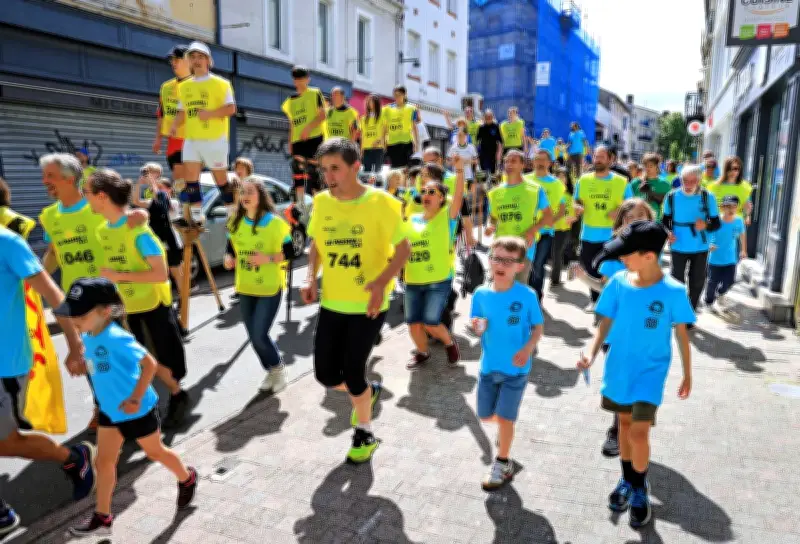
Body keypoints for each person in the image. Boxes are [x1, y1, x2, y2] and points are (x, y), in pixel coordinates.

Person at [56, 278, 197, 537]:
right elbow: (102, 366)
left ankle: (187, 477)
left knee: (155, 452)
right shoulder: (89, 334)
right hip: (110, 410)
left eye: (81, 315)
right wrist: (84, 365)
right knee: (104, 462)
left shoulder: (116, 337)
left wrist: (135, 399)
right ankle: (103, 517)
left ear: (105, 312)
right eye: (72, 314)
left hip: (137, 410)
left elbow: (150, 364)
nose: (74, 320)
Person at [300, 138, 411, 464]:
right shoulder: (322, 202)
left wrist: (381, 283)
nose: (328, 176)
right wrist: (310, 277)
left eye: (335, 168)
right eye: (324, 170)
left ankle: (364, 432)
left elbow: (403, 249)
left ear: (355, 167)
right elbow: (317, 244)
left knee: (352, 372)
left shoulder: (382, 202)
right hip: (333, 302)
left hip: (368, 304)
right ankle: (368, 392)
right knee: (325, 375)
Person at [578, 220, 694, 528]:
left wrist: (688, 373)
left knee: (639, 432)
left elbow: (681, 334)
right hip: (619, 368)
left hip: (650, 372)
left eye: (627, 253)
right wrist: (591, 352)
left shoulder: (673, 291)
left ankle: (640, 487)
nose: (621, 258)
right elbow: (604, 322)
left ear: (649, 256)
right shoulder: (618, 282)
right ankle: (627, 479)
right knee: (625, 426)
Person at [39, 153, 148, 431]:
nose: (44, 181)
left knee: (115, 353)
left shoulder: (96, 206)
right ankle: (104, 406)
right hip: (77, 300)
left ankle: (135, 404)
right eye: (44, 176)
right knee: (92, 356)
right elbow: (54, 252)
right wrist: (32, 279)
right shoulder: (49, 216)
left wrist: (140, 216)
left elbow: (126, 222)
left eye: (50, 176)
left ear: (69, 178)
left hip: (109, 294)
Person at [0, 228, 98, 535]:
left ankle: (75, 458)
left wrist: (75, 344)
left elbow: (53, 294)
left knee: (5, 443)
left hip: (5, 364)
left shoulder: (6, 242)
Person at [84, 170, 190, 427]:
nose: (84, 197)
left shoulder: (138, 231)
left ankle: (177, 396)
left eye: (87, 193)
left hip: (151, 305)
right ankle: (139, 410)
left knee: (159, 360)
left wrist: (119, 276)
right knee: (133, 359)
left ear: (102, 196)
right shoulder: (102, 230)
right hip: (124, 307)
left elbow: (160, 273)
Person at [575, 198, 655, 458]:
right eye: (629, 218)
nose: (634, 222)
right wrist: (584, 279)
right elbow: (604, 289)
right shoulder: (612, 255)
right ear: (621, 223)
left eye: (640, 216)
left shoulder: (653, 253)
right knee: (621, 381)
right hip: (615, 330)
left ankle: (629, 428)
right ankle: (616, 429)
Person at [471, 236, 544, 490]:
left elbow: (537, 327)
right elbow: (476, 322)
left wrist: (528, 349)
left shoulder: (527, 295)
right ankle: (505, 435)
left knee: (504, 419)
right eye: (497, 258)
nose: (501, 265)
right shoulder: (480, 294)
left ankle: (503, 462)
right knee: (485, 415)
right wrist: (477, 327)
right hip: (488, 367)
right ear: (489, 260)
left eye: (508, 261)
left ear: (519, 266)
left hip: (516, 370)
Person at [224, 176, 294, 392]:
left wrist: (268, 259)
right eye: (242, 192)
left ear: (261, 196)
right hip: (245, 287)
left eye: (250, 192)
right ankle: (272, 371)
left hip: (269, 287)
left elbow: (290, 252)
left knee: (259, 335)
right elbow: (231, 247)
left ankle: (278, 369)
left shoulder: (276, 223)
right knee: (254, 337)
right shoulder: (235, 222)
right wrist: (228, 257)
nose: (245, 196)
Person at [403, 157, 465, 370]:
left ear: (441, 198)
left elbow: (458, 195)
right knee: (413, 324)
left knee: (430, 322)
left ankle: (449, 343)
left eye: (432, 192)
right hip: (413, 279)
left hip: (438, 279)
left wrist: (459, 170)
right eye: (424, 192)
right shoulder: (412, 220)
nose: (426, 195)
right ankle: (422, 352)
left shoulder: (448, 216)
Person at [171, 41, 237, 224]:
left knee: (221, 180)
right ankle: (196, 215)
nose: (197, 60)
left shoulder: (221, 83)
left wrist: (210, 114)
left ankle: (232, 211)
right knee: (191, 179)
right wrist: (175, 125)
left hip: (214, 139)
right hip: (192, 139)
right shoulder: (184, 86)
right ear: (189, 61)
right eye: (192, 57)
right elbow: (182, 111)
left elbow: (231, 109)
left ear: (208, 60)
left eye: (200, 57)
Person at [573, 146, 633, 309]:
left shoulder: (621, 181)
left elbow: (632, 205)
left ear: (610, 159)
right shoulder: (583, 180)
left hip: (612, 235)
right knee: (591, 268)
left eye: (601, 157)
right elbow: (576, 201)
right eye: (595, 156)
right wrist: (577, 208)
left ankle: (611, 301)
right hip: (588, 233)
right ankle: (595, 300)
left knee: (610, 270)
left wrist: (620, 212)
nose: (597, 160)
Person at [661, 164, 721, 318]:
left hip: (700, 246)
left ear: (699, 181)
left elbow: (716, 223)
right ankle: (677, 311)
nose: (688, 185)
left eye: (692, 181)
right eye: (684, 181)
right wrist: (668, 233)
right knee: (676, 280)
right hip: (678, 245)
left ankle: (689, 313)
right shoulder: (671, 197)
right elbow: (665, 221)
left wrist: (705, 225)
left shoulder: (708, 197)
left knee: (697, 281)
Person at [486, 150, 552, 284]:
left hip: (523, 250)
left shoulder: (535, 190)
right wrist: (490, 225)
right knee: (496, 288)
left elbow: (548, 216)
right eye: (506, 161)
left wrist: (532, 230)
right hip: (499, 249)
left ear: (523, 165)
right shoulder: (495, 192)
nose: (509, 164)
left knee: (517, 289)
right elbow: (493, 217)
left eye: (513, 161)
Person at [281, 66, 327, 207]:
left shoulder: (315, 93)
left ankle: (319, 204)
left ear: (308, 79)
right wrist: (290, 142)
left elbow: (322, 115)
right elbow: (292, 124)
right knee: (297, 170)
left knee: (314, 172)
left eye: (302, 78)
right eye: (297, 79)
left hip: (314, 138)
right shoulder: (290, 100)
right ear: (294, 81)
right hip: (297, 141)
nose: (299, 81)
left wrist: (308, 128)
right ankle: (300, 205)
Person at [526, 150, 566, 300]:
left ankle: (536, 298)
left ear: (550, 163)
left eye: (543, 160)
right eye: (537, 159)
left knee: (538, 265)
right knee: (524, 265)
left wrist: (549, 222)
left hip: (545, 233)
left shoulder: (557, 184)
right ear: (533, 162)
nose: (540, 163)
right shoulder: (524, 179)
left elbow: (561, 209)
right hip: (526, 231)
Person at [153, 45, 191, 185]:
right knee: (179, 182)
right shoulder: (166, 87)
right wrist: (158, 138)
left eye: (176, 59)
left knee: (184, 181)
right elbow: (161, 114)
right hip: (172, 141)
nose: (173, 63)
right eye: (171, 60)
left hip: (191, 140)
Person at [705, 195, 747, 313]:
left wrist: (743, 250)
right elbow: (705, 234)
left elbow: (742, 235)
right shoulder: (715, 220)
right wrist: (709, 245)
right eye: (728, 206)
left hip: (730, 258)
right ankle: (709, 302)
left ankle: (720, 294)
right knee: (712, 282)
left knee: (730, 281)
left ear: (737, 208)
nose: (731, 209)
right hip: (715, 258)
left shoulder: (739, 221)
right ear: (722, 207)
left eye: (734, 206)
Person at [707, 156, 753, 226]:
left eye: (735, 168)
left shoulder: (745, 187)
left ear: (740, 170)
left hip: (736, 225)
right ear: (725, 169)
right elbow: (707, 207)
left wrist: (747, 215)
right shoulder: (713, 186)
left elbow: (747, 211)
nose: (732, 172)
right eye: (729, 168)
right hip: (717, 224)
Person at [550, 167, 577, 286]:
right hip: (548, 228)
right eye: (558, 176)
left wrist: (572, 217)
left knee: (557, 253)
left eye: (563, 176)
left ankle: (555, 279)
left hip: (562, 229)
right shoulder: (548, 193)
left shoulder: (569, 196)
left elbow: (572, 215)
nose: (561, 179)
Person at [384, 86, 421, 168]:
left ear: (405, 95)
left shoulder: (412, 108)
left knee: (407, 168)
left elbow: (414, 127)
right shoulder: (387, 109)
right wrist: (384, 142)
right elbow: (385, 127)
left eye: (399, 95)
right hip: (392, 144)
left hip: (407, 143)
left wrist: (416, 144)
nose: (396, 97)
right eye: (395, 95)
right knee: (395, 169)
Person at [631, 153, 671, 219]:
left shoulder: (665, 184)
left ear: (657, 166)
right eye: (645, 166)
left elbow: (669, 205)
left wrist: (651, 193)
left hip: (655, 220)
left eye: (651, 166)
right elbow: (629, 203)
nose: (647, 168)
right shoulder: (635, 182)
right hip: (637, 220)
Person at [360, 94, 387, 174]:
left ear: (376, 103)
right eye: (369, 101)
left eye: (372, 101)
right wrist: (361, 149)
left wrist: (379, 141)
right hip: (366, 149)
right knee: (366, 172)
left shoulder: (383, 118)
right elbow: (362, 135)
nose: (370, 103)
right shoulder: (363, 119)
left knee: (377, 173)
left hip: (378, 148)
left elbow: (385, 133)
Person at [476, 109, 504, 178]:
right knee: (483, 170)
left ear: (492, 117)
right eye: (487, 116)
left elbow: (500, 141)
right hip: (483, 152)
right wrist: (477, 153)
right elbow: (477, 140)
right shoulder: (481, 127)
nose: (488, 118)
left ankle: (491, 183)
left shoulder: (496, 126)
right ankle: (484, 182)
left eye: (490, 116)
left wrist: (499, 153)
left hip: (493, 152)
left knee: (492, 171)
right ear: (484, 117)